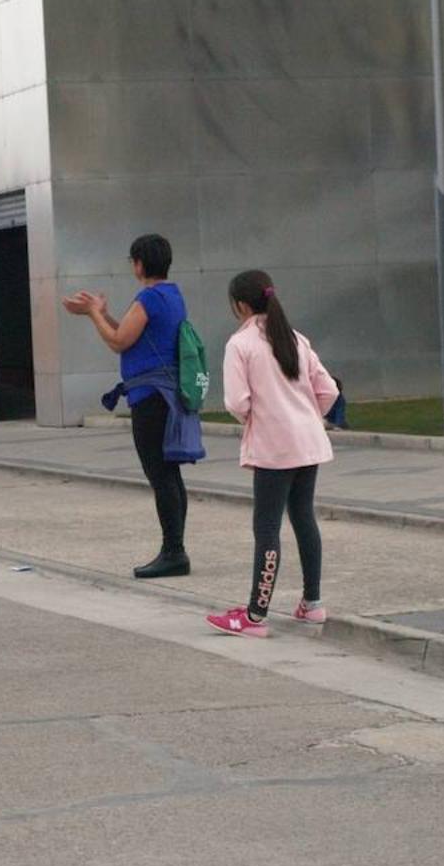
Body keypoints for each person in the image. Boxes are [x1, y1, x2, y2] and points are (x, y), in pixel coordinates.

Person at [204, 271, 339, 637]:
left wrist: (258, 418)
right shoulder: (295, 338)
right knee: (303, 518)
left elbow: (236, 401)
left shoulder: (241, 344)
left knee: (266, 527)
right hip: (308, 443)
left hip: (273, 447)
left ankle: (255, 615)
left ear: (241, 305)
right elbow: (327, 391)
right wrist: (307, 415)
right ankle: (312, 604)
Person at [63, 233, 194, 579]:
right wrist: (104, 313)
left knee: (161, 475)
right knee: (170, 474)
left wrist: (93, 314)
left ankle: (174, 551)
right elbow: (134, 337)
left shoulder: (148, 298)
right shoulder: (171, 295)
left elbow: (119, 342)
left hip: (151, 399)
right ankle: (175, 548)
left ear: (138, 264)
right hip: (166, 395)